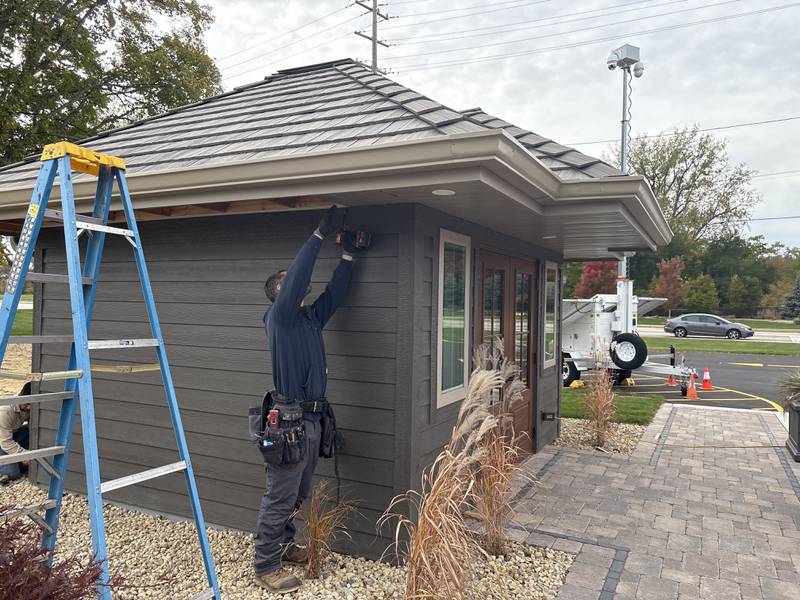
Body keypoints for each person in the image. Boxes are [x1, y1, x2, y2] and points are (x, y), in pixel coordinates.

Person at [254, 207, 361, 594]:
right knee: (281, 492)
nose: (297, 281)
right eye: (288, 280)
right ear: (278, 293)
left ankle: (283, 545)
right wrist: (317, 235)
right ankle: (265, 563)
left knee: (298, 491)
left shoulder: (310, 319)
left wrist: (347, 255)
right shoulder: (278, 318)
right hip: (289, 422)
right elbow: (300, 274)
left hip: (313, 421)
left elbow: (335, 293)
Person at [0, 382, 32, 485]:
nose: (29, 408)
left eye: (31, 405)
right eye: (27, 404)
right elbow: (6, 443)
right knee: (13, 475)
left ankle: (17, 462)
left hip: (13, 433)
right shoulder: (6, 411)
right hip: (3, 440)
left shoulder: (28, 406)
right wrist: (27, 456)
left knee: (28, 431)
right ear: (21, 396)